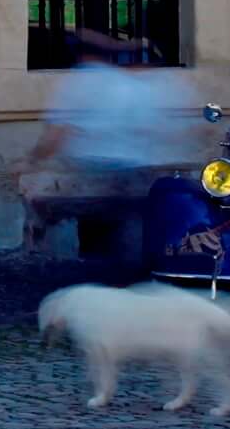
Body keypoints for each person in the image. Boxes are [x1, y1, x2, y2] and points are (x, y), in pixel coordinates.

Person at [26, 35, 194, 275]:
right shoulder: (131, 83)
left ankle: (98, 278)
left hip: (95, 171)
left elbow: (58, 132)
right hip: (135, 169)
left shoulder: (77, 83)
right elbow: (153, 128)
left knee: (97, 234)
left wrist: (34, 159)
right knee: (128, 231)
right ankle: (127, 277)